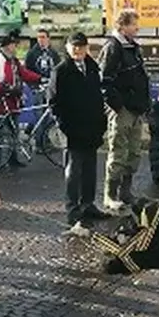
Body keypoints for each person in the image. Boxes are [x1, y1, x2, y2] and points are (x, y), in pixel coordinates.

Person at [47, 32, 109, 231]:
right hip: (73, 130)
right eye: (74, 46)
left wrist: (101, 122)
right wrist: (64, 126)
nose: (78, 50)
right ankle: (73, 209)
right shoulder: (62, 70)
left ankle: (87, 204)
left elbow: (97, 97)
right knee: (73, 171)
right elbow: (54, 102)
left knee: (90, 169)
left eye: (81, 46)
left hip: (92, 128)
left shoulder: (92, 67)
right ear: (67, 47)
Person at [99, 9, 151, 213]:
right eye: (133, 24)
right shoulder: (113, 47)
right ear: (122, 26)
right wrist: (118, 106)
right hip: (123, 109)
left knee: (135, 153)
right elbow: (105, 81)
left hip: (136, 108)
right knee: (118, 152)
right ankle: (110, 195)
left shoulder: (134, 47)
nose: (137, 28)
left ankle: (125, 192)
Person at [0, 29, 41, 168]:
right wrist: (12, 90)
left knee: (13, 132)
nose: (16, 47)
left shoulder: (13, 60)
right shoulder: (1, 61)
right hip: (3, 102)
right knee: (0, 133)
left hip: (13, 101)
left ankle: (12, 160)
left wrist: (39, 78)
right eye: (14, 44)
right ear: (7, 46)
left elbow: (23, 73)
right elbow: (0, 82)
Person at [24, 29, 60, 150]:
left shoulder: (53, 53)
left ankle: (46, 140)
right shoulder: (32, 53)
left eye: (43, 37)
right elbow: (26, 71)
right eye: (39, 37)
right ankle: (39, 143)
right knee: (39, 115)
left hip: (50, 88)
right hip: (37, 88)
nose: (41, 40)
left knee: (49, 115)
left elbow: (58, 69)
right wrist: (33, 85)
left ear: (48, 38)